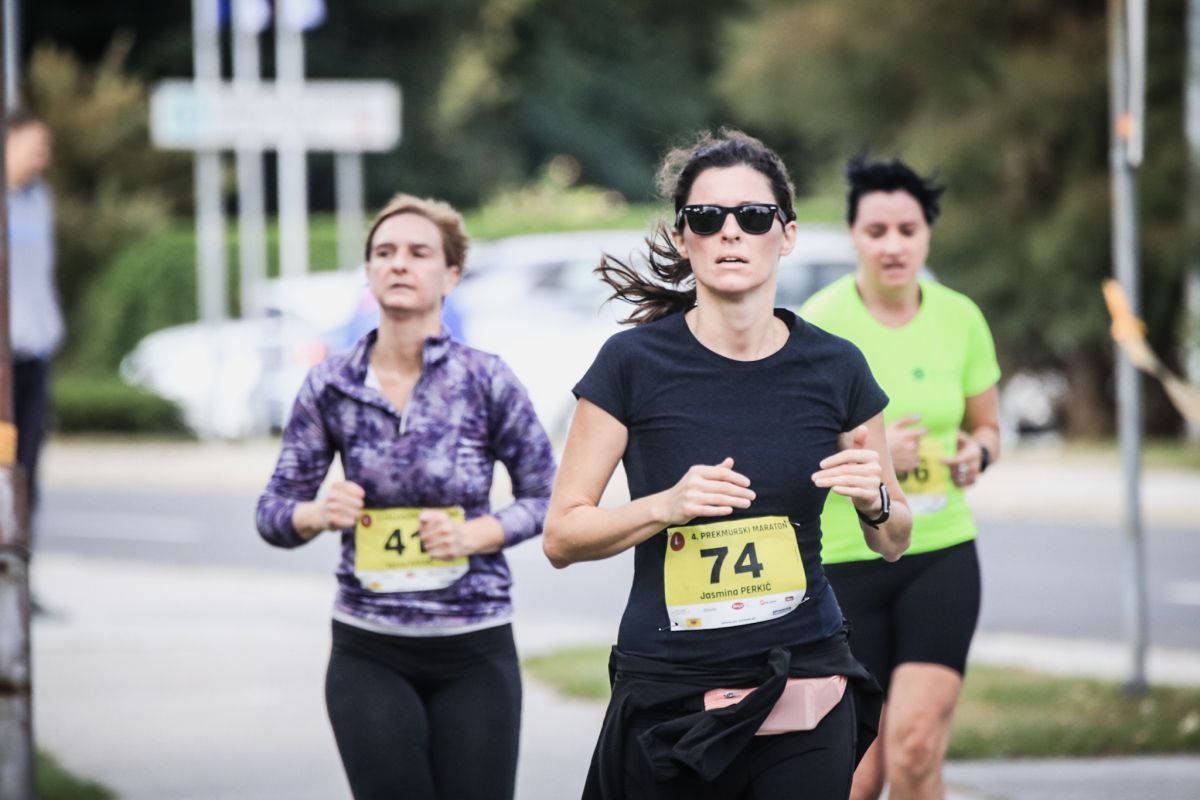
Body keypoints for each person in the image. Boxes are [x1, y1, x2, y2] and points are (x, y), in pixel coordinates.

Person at [543, 129, 913, 800]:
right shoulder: (631, 365)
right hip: (671, 688)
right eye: (708, 218)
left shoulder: (836, 367)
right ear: (684, 238)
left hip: (802, 678)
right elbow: (561, 537)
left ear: (787, 234)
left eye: (754, 216)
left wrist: (875, 501)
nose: (731, 232)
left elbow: (893, 541)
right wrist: (665, 506)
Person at [256, 193, 555, 800]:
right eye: (384, 252)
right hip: (368, 649)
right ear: (368, 272)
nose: (399, 263)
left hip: (475, 647)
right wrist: (317, 513)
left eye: (419, 252)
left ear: (451, 276)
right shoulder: (331, 383)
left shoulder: (485, 379)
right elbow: (273, 511)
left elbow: (550, 497)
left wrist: (477, 534)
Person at [799, 155, 1002, 800]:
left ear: (927, 235)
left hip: (939, 554)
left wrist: (977, 454)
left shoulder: (960, 317)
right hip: (843, 563)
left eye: (908, 230)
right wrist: (880, 453)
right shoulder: (819, 322)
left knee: (914, 749)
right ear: (852, 235)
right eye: (877, 231)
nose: (893, 246)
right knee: (858, 776)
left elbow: (988, 428)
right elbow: (793, 444)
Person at [7, 110, 58, 522]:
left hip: (34, 350)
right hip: (0, 359)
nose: (43, 157)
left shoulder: (40, 199)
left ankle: (20, 549)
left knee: (28, 463)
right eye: (35, 147)